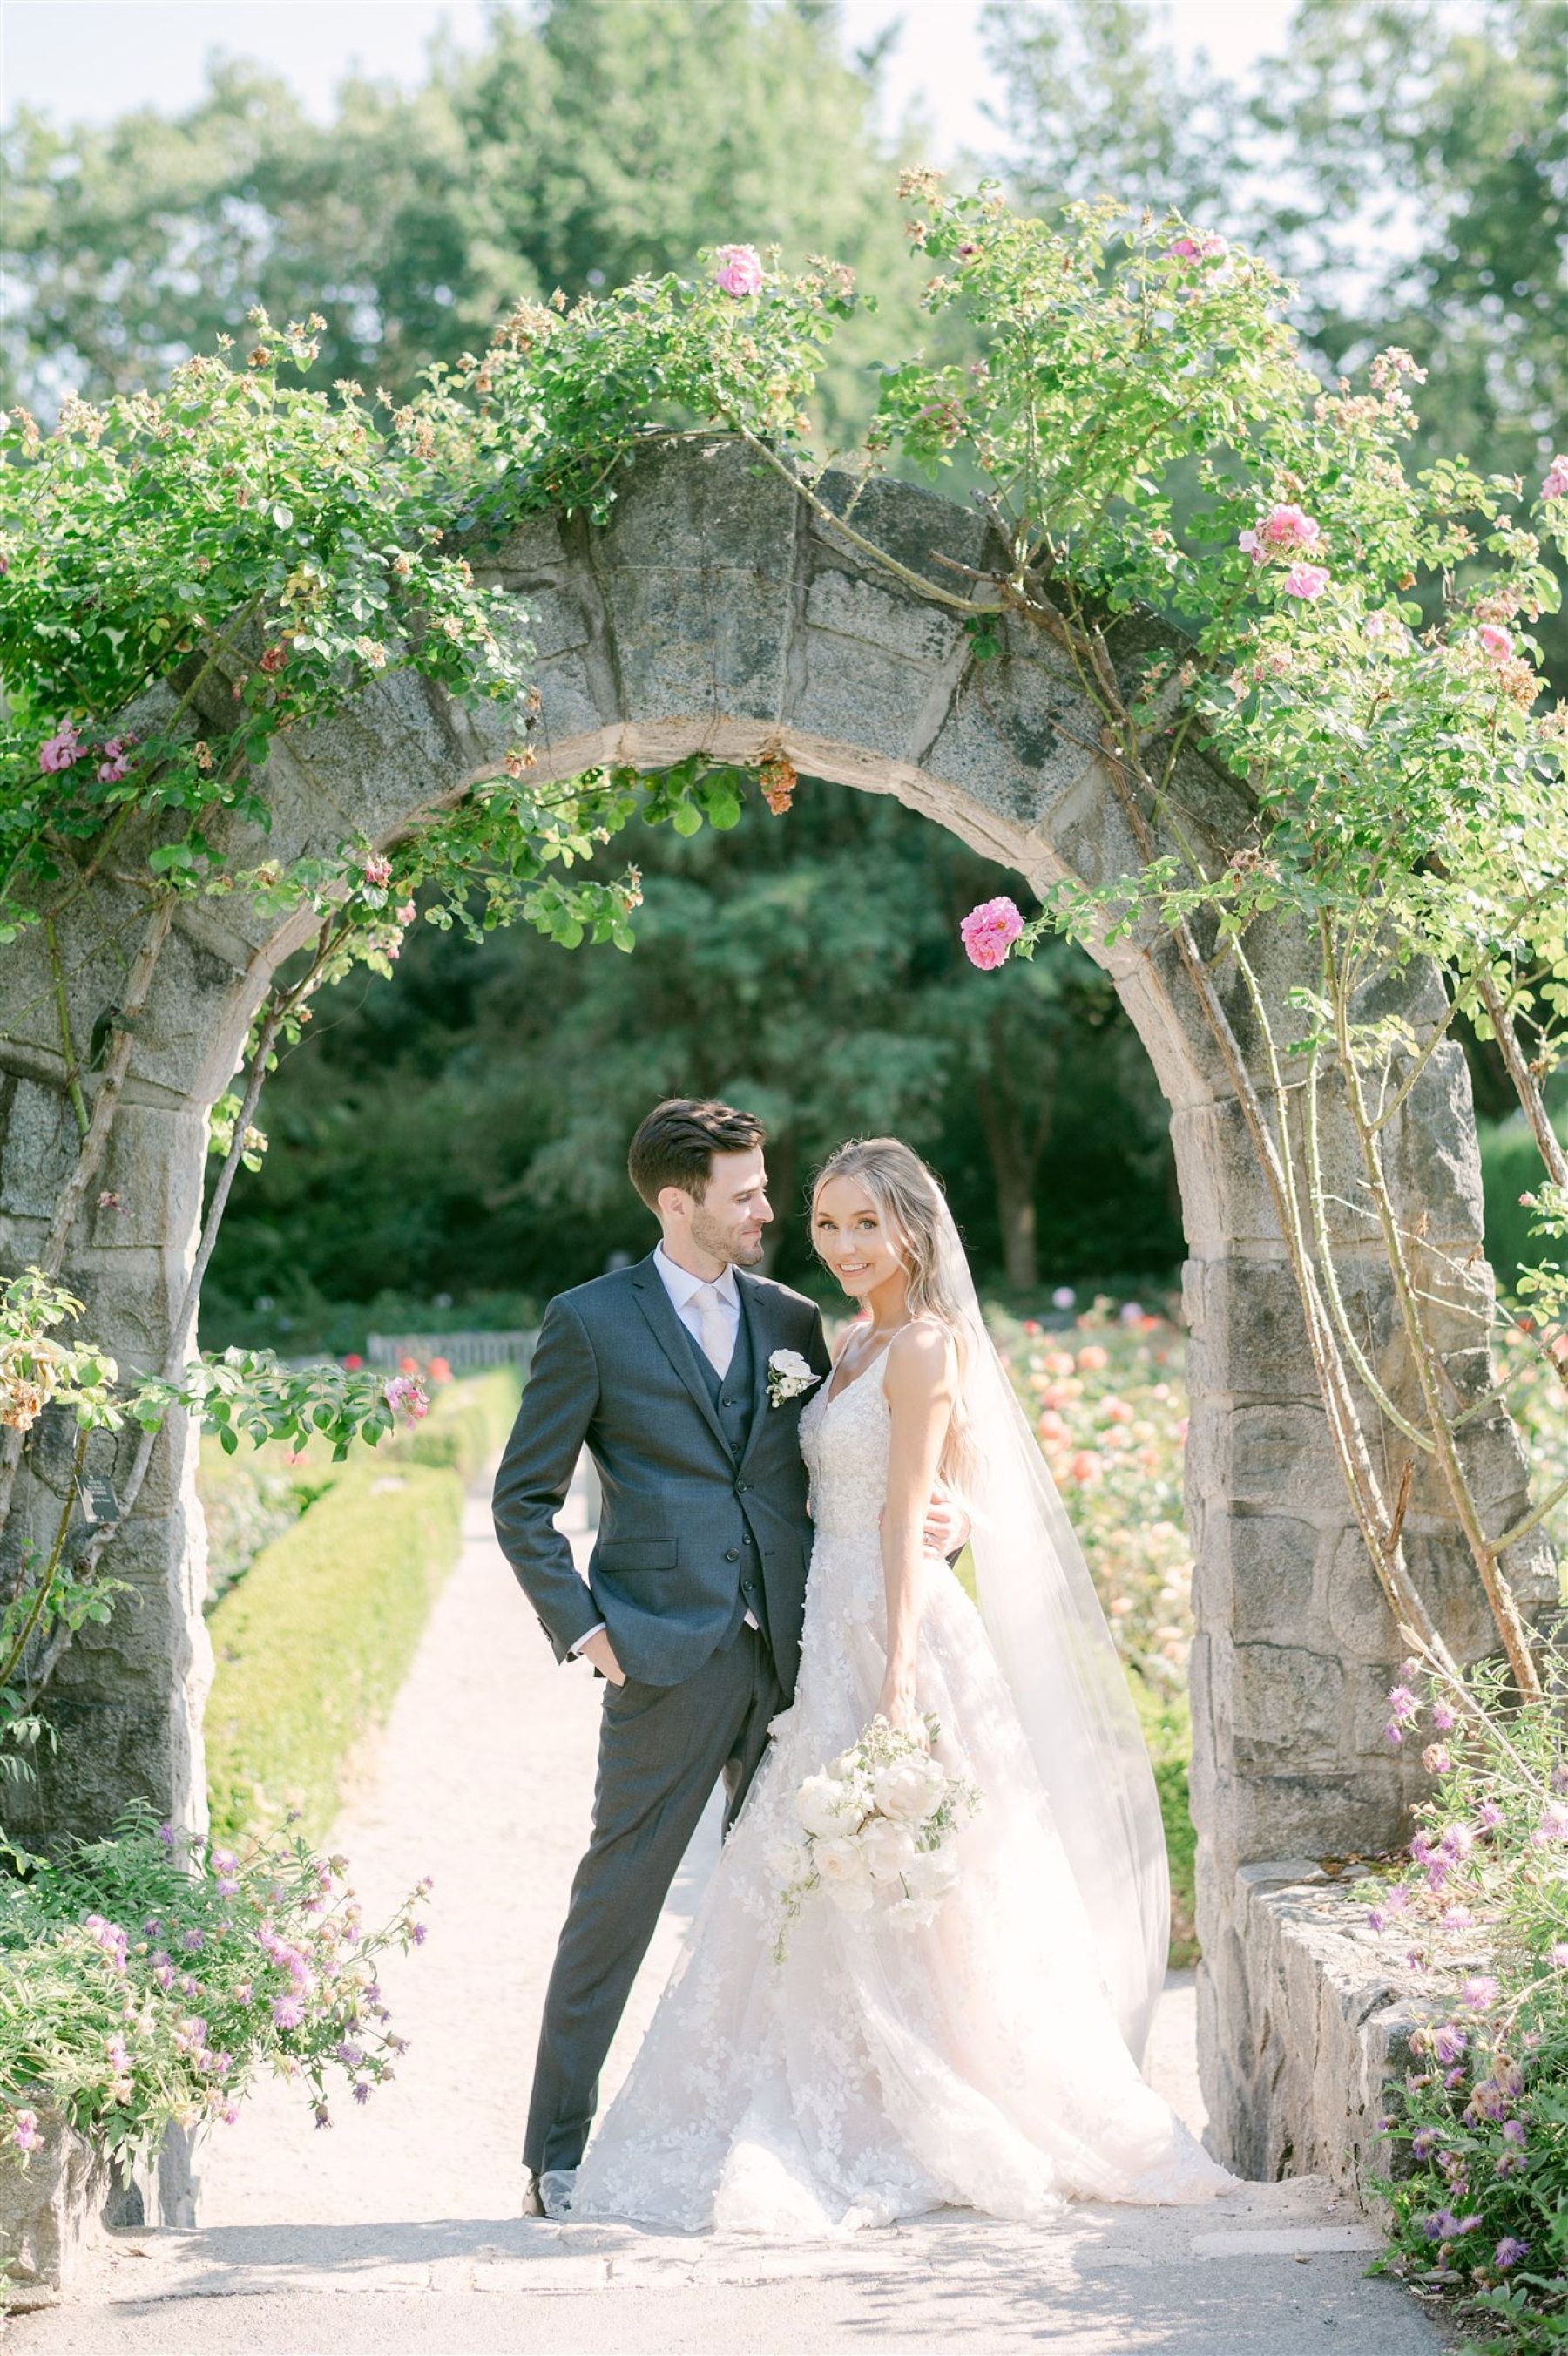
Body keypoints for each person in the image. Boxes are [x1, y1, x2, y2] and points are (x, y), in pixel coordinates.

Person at [567, 1135, 1236, 2234]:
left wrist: (895, 1674)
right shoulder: (846, 1345)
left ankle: (947, 2089)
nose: (840, 1245)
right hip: (824, 1612)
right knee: (830, 1869)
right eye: (825, 1224)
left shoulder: (923, 1345)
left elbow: (904, 1510)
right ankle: (861, 2084)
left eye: (863, 1225)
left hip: (889, 1620)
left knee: (921, 1865)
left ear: (913, 1228)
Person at [492, 1101, 969, 2219]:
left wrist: (957, 1520)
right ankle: (555, 2152)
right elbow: (523, 1500)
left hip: (805, 1660)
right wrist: (588, 1629)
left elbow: (874, 1469)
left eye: (767, 1190)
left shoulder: (800, 1320)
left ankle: (780, 2136)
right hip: (661, 1656)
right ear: (678, 1201)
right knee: (616, 1897)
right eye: (747, 1193)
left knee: (798, 1911)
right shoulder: (590, 1322)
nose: (770, 1210)